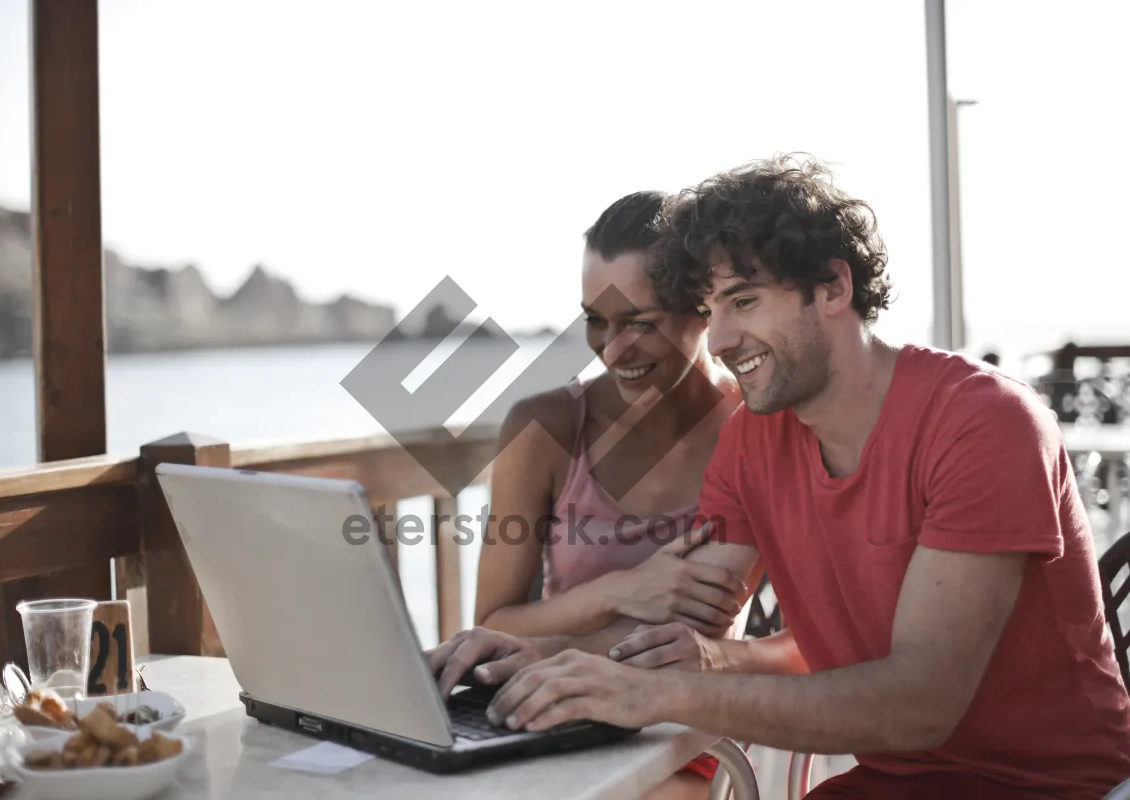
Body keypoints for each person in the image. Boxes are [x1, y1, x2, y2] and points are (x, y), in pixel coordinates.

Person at [429, 155, 1130, 799]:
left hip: (1056, 788)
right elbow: (687, 629)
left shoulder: (986, 423)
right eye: (711, 311)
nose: (723, 340)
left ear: (832, 286)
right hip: (895, 781)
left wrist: (655, 696)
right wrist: (530, 653)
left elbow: (921, 706)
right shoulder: (753, 439)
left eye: (743, 302)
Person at [471, 190, 746, 797]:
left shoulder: (752, 428)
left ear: (703, 311)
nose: (612, 348)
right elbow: (492, 621)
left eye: (639, 324)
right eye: (596, 320)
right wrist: (625, 589)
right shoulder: (543, 428)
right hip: (557, 710)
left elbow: (700, 637)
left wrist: (551, 646)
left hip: (685, 729)